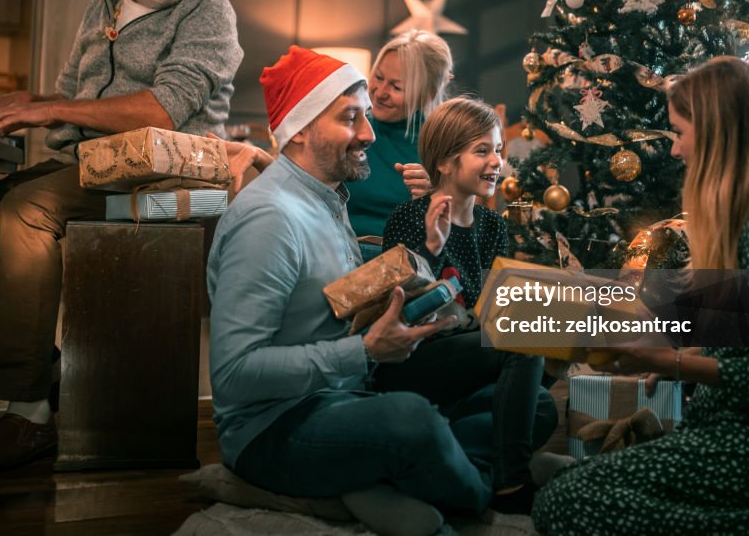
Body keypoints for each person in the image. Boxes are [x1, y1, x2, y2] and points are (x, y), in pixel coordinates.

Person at [0, 0, 243, 472]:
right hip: (89, 165)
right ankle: (51, 381)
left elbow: (164, 109)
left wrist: (49, 111)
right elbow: (72, 92)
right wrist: (33, 101)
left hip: (162, 165)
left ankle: (27, 413)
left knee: (27, 208)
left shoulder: (206, 9)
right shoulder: (104, 10)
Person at [209, 47, 541, 536]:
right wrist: (363, 351)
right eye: (350, 119)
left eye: (365, 116)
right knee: (412, 421)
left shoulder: (326, 196)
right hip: (275, 427)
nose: (368, 133)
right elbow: (235, 376)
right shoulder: (270, 220)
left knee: (528, 386)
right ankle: (486, 494)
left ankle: (386, 482)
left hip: (352, 389)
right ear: (300, 130)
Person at [531, 56, 749, 534]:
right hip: (736, 436)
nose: (676, 150)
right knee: (575, 492)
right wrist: (684, 351)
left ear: (719, 134)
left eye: (680, 133)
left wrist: (671, 364)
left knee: (562, 503)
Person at [379, 97, 552, 514]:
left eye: (498, 150)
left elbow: (490, 310)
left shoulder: (493, 226)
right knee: (520, 344)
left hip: (466, 361)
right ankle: (510, 482)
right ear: (444, 162)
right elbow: (404, 312)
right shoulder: (408, 217)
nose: (497, 162)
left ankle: (452, 450)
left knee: (544, 408)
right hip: (414, 359)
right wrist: (433, 248)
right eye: (482, 151)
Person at [345, 29, 452, 239]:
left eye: (396, 86)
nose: (379, 92)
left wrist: (436, 195)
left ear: (427, 94)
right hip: (338, 252)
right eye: (378, 77)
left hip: (405, 259)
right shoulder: (346, 128)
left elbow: (460, 227)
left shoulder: (441, 146)